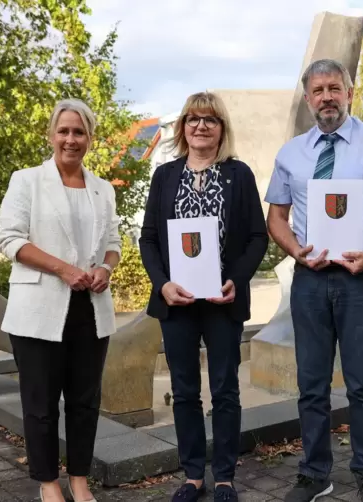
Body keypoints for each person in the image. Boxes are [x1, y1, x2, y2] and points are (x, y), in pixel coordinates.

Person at [265, 59, 363, 502]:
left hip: (361, 279)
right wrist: (296, 251)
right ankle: (315, 474)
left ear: (350, 93)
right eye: (318, 90)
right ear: (308, 98)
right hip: (310, 281)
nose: (327, 97)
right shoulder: (291, 153)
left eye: (334, 88)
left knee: (362, 384)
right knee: (311, 385)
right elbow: (276, 217)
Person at [139, 91, 268, 502]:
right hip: (177, 302)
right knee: (184, 390)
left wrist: (236, 279)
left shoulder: (239, 174)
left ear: (221, 128)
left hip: (221, 301)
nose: (200, 126)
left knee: (226, 389)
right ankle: (194, 475)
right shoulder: (164, 176)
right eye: (193, 119)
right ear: (182, 128)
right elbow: (149, 239)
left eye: (210, 119)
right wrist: (162, 284)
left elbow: (256, 237)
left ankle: (225, 476)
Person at [0, 98, 122, 502]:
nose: (71, 139)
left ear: (90, 138)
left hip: (91, 310)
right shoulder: (27, 180)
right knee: (41, 404)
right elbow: (9, 238)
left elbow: (115, 243)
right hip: (38, 311)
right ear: (51, 135)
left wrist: (105, 268)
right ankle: (48, 482)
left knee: (85, 403)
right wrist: (64, 269)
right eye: (64, 131)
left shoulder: (102, 189)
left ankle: (79, 479)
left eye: (79, 131)